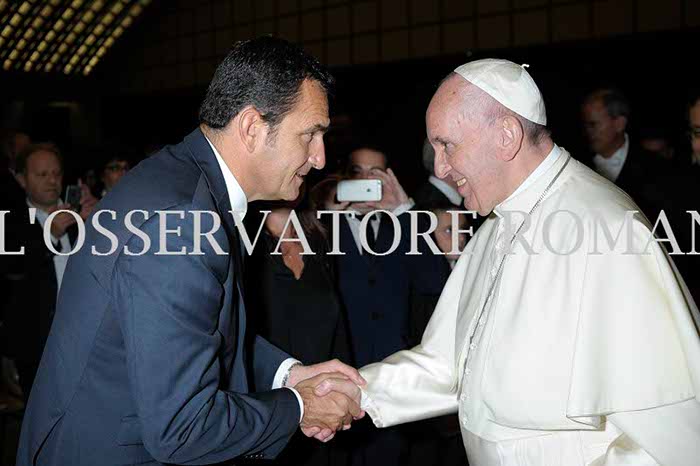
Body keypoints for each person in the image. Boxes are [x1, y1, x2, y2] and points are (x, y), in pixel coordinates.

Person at [318, 59, 700, 466]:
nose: (442, 169)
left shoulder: (603, 227)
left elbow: (673, 433)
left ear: (506, 135)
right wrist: (357, 391)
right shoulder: (495, 226)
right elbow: (449, 362)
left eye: (448, 145)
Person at [16, 37, 365, 466]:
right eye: (310, 134)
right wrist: (298, 406)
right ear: (252, 127)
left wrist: (287, 373)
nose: (320, 158)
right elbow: (182, 426)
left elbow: (193, 332)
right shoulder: (182, 220)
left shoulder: (182, 180)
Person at [245, 204, 352, 466]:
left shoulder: (320, 237)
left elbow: (337, 326)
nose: (315, 160)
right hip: (262, 420)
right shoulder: (238, 239)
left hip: (321, 418)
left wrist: (343, 393)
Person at [3, 143, 96, 401]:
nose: (52, 180)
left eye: (56, 173)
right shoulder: (10, 221)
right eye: (42, 175)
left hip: (84, 341)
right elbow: (12, 268)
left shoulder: (81, 217)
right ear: (21, 179)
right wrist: (50, 234)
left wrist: (100, 217)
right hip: (35, 348)